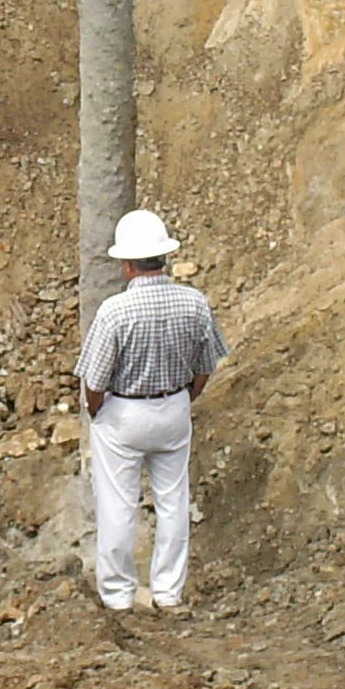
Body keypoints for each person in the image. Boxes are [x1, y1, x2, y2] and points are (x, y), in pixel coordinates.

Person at [72, 210, 227, 612]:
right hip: (173, 406)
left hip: (124, 412)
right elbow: (206, 364)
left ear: (126, 265)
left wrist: (97, 413)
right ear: (164, 256)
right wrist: (183, 398)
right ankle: (168, 591)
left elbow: (94, 381)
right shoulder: (194, 302)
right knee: (174, 501)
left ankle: (119, 594)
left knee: (117, 505)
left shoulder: (114, 311)